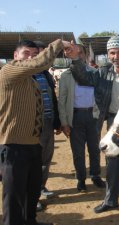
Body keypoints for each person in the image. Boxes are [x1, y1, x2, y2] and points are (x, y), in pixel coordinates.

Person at [64, 35, 119, 225]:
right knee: (112, 166)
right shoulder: (102, 73)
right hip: (112, 124)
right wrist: (75, 58)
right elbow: (82, 77)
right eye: (112, 52)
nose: (116, 56)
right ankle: (110, 201)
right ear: (108, 54)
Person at [0, 39, 70, 225]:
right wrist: (59, 44)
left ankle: (30, 221)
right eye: (26, 54)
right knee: (14, 198)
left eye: (34, 54)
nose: (31, 58)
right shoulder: (9, 71)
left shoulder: (31, 81)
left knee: (31, 192)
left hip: (32, 145)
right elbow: (41, 62)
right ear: (15, 56)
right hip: (13, 146)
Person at [58, 44, 105, 192]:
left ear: (85, 56)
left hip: (92, 116)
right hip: (75, 117)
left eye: (81, 54)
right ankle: (81, 179)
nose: (79, 57)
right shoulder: (66, 76)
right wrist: (64, 122)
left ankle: (96, 175)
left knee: (94, 149)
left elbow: (101, 96)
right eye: (75, 53)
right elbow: (62, 100)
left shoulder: (95, 73)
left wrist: (99, 117)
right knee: (78, 152)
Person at [32, 41, 62, 211]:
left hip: (48, 123)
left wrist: (56, 122)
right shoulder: (26, 74)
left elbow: (53, 99)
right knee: (33, 161)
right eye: (40, 53)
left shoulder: (46, 75)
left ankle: (41, 187)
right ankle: (32, 196)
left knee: (46, 159)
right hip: (32, 126)